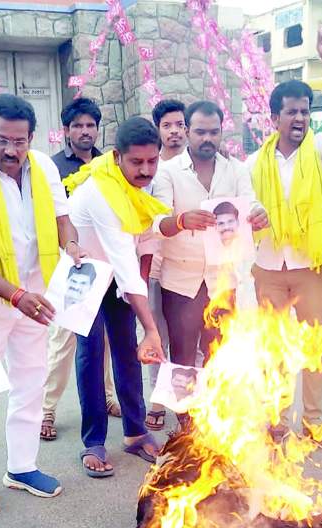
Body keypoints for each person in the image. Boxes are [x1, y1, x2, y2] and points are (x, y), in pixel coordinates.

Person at [0, 93, 83, 515]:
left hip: (36, 293)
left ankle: (22, 468)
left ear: (31, 138)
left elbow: (62, 219)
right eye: (2, 139)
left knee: (31, 380)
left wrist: (73, 247)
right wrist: (15, 295)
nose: (11, 149)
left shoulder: (42, 166)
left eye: (20, 141)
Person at [246, 29, 322, 434]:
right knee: (272, 349)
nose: (299, 118)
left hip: (311, 266)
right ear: (274, 118)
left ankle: (311, 422)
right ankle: (275, 421)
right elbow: (242, 208)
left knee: (312, 347)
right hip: (268, 267)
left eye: (305, 111)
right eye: (291, 111)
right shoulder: (252, 163)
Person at [66, 116, 169, 478]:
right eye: (136, 162)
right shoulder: (101, 193)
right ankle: (93, 441)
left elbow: (145, 242)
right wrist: (152, 328)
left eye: (152, 161)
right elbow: (123, 257)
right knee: (91, 352)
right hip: (86, 272)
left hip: (118, 276)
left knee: (128, 350)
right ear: (117, 156)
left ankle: (135, 431)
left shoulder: (142, 189)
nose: (145, 170)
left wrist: (135, 293)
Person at [150, 100, 257, 370]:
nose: (208, 138)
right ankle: (187, 411)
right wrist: (183, 221)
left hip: (222, 279)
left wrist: (259, 214)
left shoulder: (236, 169)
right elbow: (158, 222)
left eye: (214, 132)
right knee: (183, 355)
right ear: (187, 131)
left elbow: (250, 203)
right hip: (180, 280)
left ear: (222, 132)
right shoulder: (168, 172)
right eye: (200, 132)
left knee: (218, 353)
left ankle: (216, 410)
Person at [43, 96, 119, 441]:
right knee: (62, 341)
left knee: (100, 339)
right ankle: (47, 410)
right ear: (66, 131)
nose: (85, 131)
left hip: (103, 265)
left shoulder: (109, 165)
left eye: (90, 125)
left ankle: (106, 398)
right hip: (69, 266)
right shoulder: (54, 167)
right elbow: (51, 218)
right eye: (78, 126)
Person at [143, 98, 188, 430]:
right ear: (158, 130)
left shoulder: (197, 166)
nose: (175, 131)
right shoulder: (150, 168)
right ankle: (157, 401)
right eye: (168, 125)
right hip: (155, 266)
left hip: (187, 267)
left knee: (188, 339)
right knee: (156, 335)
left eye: (180, 124)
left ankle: (185, 401)